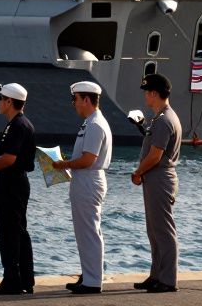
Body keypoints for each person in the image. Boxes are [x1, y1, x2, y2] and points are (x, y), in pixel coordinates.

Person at [52, 80, 112, 294]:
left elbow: (88, 159)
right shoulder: (91, 122)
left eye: (75, 99)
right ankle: (89, 275)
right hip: (84, 179)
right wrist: (69, 163)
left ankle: (93, 281)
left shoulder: (95, 125)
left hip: (89, 179)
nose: (74, 104)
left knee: (89, 232)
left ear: (86, 99)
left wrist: (64, 164)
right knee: (85, 231)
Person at [0, 83, 36, 295]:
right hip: (15, 182)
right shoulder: (20, 124)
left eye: (1, 99)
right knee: (19, 230)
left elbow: (10, 158)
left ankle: (12, 279)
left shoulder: (17, 126)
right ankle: (24, 279)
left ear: (9, 102)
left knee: (9, 231)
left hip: (12, 183)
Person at [131, 73, 182, 294]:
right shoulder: (163, 117)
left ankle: (168, 279)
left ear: (154, 93)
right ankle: (156, 275)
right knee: (154, 230)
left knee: (163, 230)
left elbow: (155, 155)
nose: (145, 97)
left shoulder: (163, 121)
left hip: (159, 177)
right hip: (157, 178)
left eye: (146, 93)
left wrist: (138, 172)